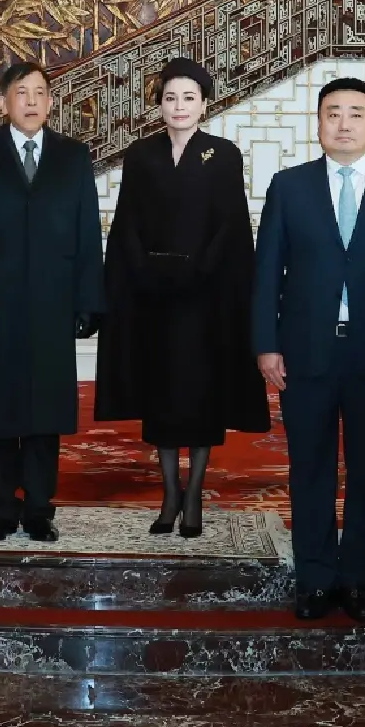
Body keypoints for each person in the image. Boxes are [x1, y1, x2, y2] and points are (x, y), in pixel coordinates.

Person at [251, 78, 365, 621]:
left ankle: (362, 576)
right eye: (333, 114)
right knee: (311, 466)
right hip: (306, 351)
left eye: (355, 114)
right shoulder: (289, 185)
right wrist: (266, 345)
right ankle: (316, 577)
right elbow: (266, 271)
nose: (343, 124)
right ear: (318, 123)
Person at [95, 59, 269, 536]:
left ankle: (194, 495)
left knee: (200, 398)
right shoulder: (141, 154)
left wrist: (198, 271)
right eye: (171, 97)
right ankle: (169, 492)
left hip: (205, 297)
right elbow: (126, 221)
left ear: (205, 104)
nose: (179, 106)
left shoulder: (224, 153)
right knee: (163, 397)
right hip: (154, 294)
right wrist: (146, 271)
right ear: (159, 104)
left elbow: (231, 224)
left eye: (189, 97)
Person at [0, 62, 106, 544]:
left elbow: (86, 231)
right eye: (21, 92)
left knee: (44, 409)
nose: (31, 101)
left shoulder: (73, 157)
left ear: (51, 102)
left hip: (53, 303)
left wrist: (88, 299)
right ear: (2, 102)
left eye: (40, 93)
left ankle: (38, 507)